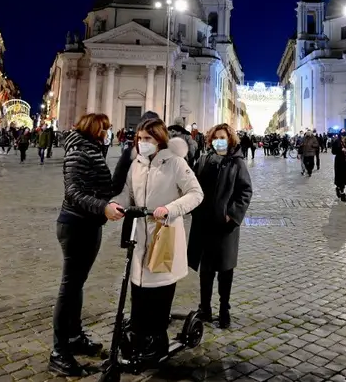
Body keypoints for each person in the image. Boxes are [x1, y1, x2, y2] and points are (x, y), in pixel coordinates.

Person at [49, 113, 125, 377]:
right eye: (106, 129)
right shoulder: (79, 152)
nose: (108, 134)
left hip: (88, 224)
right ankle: (59, 352)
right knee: (69, 287)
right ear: (96, 128)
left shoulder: (91, 150)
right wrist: (103, 207)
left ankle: (73, 337)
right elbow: (74, 192)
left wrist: (127, 158)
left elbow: (106, 188)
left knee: (77, 284)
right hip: (75, 225)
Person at [126, 118, 203, 359]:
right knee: (137, 285)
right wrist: (115, 206)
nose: (142, 143)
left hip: (165, 232)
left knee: (159, 287)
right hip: (140, 234)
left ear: (159, 140)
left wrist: (171, 208)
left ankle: (157, 337)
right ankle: (138, 334)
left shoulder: (176, 163)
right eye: (139, 139)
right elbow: (126, 193)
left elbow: (196, 194)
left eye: (147, 139)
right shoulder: (136, 165)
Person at [188, 123, 253, 329]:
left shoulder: (237, 163)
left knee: (225, 269)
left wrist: (232, 215)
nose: (218, 141)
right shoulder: (204, 159)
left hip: (225, 227)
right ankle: (205, 308)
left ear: (230, 139)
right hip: (204, 223)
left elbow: (245, 191)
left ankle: (224, 308)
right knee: (206, 270)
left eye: (222, 137)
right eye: (215, 137)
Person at [332, 132, 346, 203]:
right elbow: (333, 151)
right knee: (339, 177)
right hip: (339, 162)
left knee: (345, 177)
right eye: (342, 135)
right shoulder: (336, 142)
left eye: (344, 135)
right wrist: (340, 150)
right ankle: (342, 193)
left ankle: (339, 188)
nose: (343, 137)